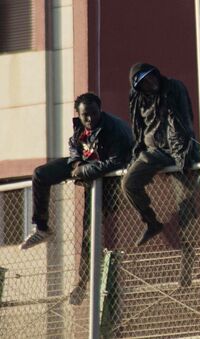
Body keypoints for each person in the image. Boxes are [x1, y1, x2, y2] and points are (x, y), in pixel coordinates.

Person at [19, 92, 133, 304]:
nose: (89, 119)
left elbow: (118, 161)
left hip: (107, 181)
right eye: (85, 115)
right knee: (40, 175)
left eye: (93, 114)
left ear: (100, 110)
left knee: (89, 234)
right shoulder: (80, 127)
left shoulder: (114, 129)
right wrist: (76, 165)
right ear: (78, 114)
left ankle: (82, 284)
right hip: (85, 168)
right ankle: (42, 227)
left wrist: (85, 171)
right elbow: (74, 147)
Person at [122, 63, 200, 246]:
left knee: (187, 206)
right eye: (144, 81)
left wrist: (183, 155)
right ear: (138, 86)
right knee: (128, 183)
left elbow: (185, 121)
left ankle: (192, 250)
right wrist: (138, 151)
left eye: (151, 76)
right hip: (154, 152)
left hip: (179, 150)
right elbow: (138, 127)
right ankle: (151, 222)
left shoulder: (173, 87)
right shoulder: (137, 97)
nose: (150, 82)